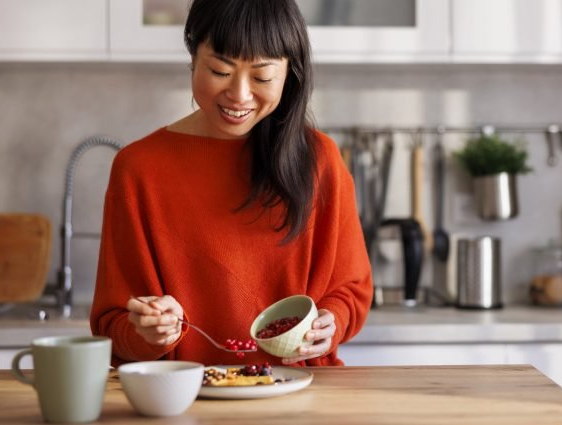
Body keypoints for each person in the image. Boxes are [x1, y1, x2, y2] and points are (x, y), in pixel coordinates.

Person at [90, 0, 372, 367]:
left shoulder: (320, 160)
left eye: (262, 78)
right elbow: (111, 325)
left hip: (303, 399)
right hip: (184, 401)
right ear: (193, 56)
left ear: (290, 75)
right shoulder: (138, 169)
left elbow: (351, 290)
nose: (239, 95)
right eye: (220, 71)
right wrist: (148, 334)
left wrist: (330, 325)